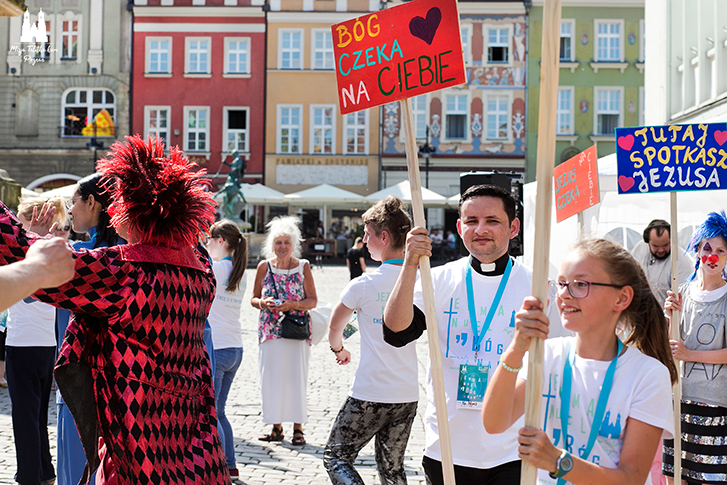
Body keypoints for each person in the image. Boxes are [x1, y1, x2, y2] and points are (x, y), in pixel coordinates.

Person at [0, 135, 230, 483]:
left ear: (133, 211)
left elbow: (23, 256)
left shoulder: (125, 272)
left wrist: (32, 238)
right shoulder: (200, 268)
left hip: (140, 454)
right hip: (197, 454)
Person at [481, 238, 678, 485]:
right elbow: (494, 423)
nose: (565, 294)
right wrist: (515, 349)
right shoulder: (547, 356)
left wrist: (558, 462)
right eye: (562, 283)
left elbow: (632, 478)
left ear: (621, 298)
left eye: (581, 284)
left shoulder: (648, 374)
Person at [383, 184, 532, 485]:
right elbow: (395, 331)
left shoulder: (536, 285)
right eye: (471, 221)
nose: (480, 229)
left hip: (513, 451)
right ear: (458, 226)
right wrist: (410, 264)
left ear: (513, 227)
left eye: (492, 221)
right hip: (448, 447)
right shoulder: (436, 278)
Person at [324, 196, 417, 485]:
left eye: (367, 235)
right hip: (407, 393)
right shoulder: (421, 281)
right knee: (392, 470)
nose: (364, 241)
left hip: (371, 391)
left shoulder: (363, 285)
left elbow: (335, 325)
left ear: (384, 237)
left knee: (336, 457)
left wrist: (338, 349)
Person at [56, 173, 125, 485]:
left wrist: (39, 242)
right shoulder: (127, 253)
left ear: (92, 202)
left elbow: (31, 291)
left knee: (77, 470)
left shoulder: (86, 259)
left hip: (83, 377)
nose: (71, 210)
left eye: (74, 202)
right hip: (122, 388)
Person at [662, 210, 727, 485]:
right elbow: (671, 347)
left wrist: (690, 355)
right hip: (679, 400)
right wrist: (669, 317)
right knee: (676, 478)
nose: (713, 256)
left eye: (721, 250)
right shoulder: (682, 294)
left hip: (716, 405)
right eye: (707, 248)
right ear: (697, 249)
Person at [5, 197, 66, 485]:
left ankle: (30, 476)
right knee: (38, 416)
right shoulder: (56, 251)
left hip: (22, 345)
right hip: (46, 346)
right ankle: (45, 472)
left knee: (25, 420)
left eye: (19, 221)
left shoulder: (27, 255)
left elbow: (25, 293)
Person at [251, 215, 318, 446]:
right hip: (270, 330)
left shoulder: (303, 266)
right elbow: (253, 298)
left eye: (286, 242)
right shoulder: (263, 267)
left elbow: (312, 301)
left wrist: (292, 305)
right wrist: (263, 303)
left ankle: (298, 428)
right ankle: (276, 427)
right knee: (272, 379)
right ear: (272, 245)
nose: (282, 247)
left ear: (293, 244)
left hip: (296, 330)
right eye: (278, 243)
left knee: (295, 379)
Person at [206, 219, 248, 480]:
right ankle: (230, 465)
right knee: (220, 411)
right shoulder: (239, 270)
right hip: (235, 347)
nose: (207, 245)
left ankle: (221, 466)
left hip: (218, 347)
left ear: (221, 241)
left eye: (210, 240)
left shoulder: (217, 268)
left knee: (213, 412)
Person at [631, 219, 693, 306]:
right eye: (655, 246)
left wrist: (666, 317)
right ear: (647, 241)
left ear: (672, 240)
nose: (660, 250)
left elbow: (681, 298)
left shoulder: (682, 261)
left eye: (665, 245)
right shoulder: (639, 249)